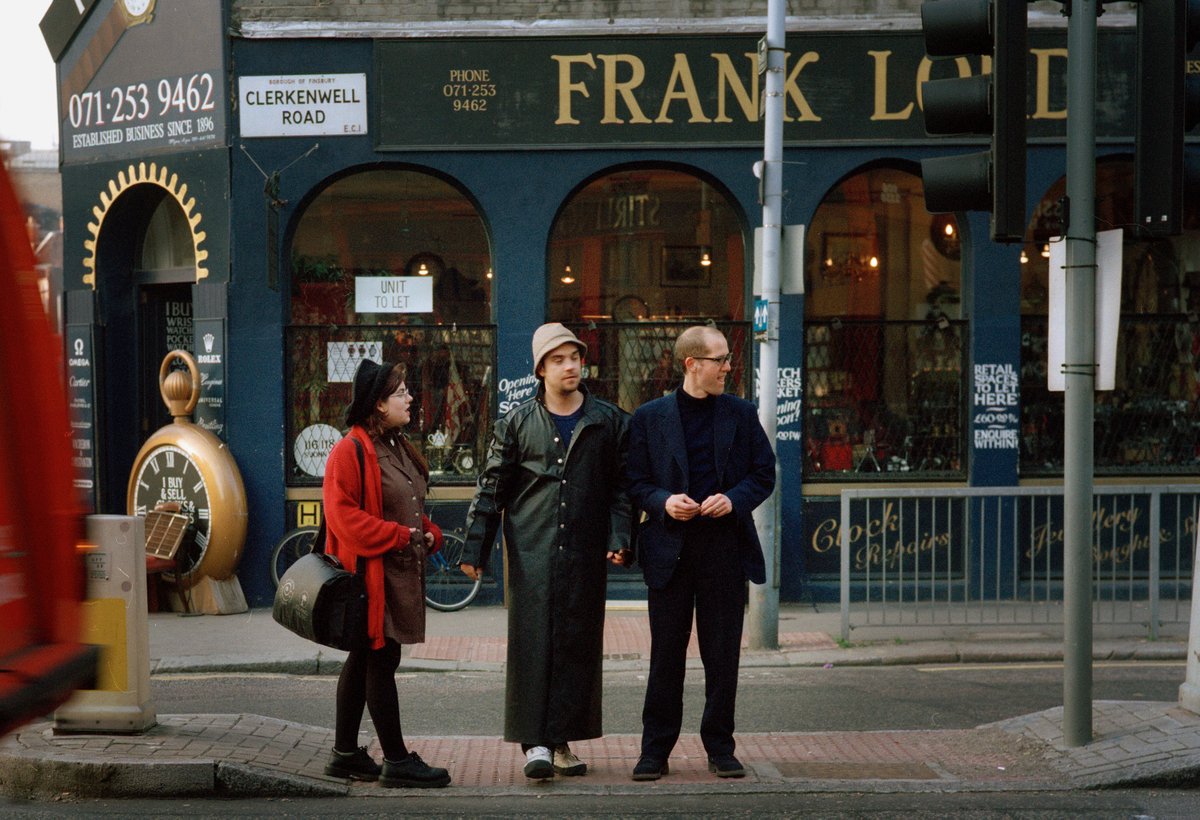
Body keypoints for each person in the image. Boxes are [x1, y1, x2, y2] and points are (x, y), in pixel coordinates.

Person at [458, 322, 633, 780]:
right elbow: (491, 488)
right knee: (533, 642)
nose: (570, 365)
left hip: (583, 549)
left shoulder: (608, 420)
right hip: (531, 549)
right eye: (558, 359)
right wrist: (474, 547)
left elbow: (620, 489)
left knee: (577, 644)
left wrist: (619, 538)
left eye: (574, 356)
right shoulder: (516, 423)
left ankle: (560, 742)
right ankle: (534, 742)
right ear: (540, 369)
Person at [626, 325, 775, 781]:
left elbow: (763, 474)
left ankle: (720, 748)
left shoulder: (741, 414)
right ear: (692, 364)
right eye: (721, 360)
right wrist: (663, 502)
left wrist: (734, 499)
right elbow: (634, 482)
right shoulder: (650, 417)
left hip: (724, 551)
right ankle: (655, 751)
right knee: (665, 656)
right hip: (669, 552)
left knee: (722, 656)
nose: (729, 368)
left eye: (728, 359)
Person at [322, 359, 452, 789]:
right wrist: (399, 536)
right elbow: (343, 519)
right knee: (379, 657)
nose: (410, 398)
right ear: (378, 404)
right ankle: (396, 760)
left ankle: (344, 755)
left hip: (397, 573)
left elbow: (408, 503)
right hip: (370, 577)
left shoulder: (395, 445)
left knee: (366, 658)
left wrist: (427, 532)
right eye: (401, 393)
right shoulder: (350, 450)